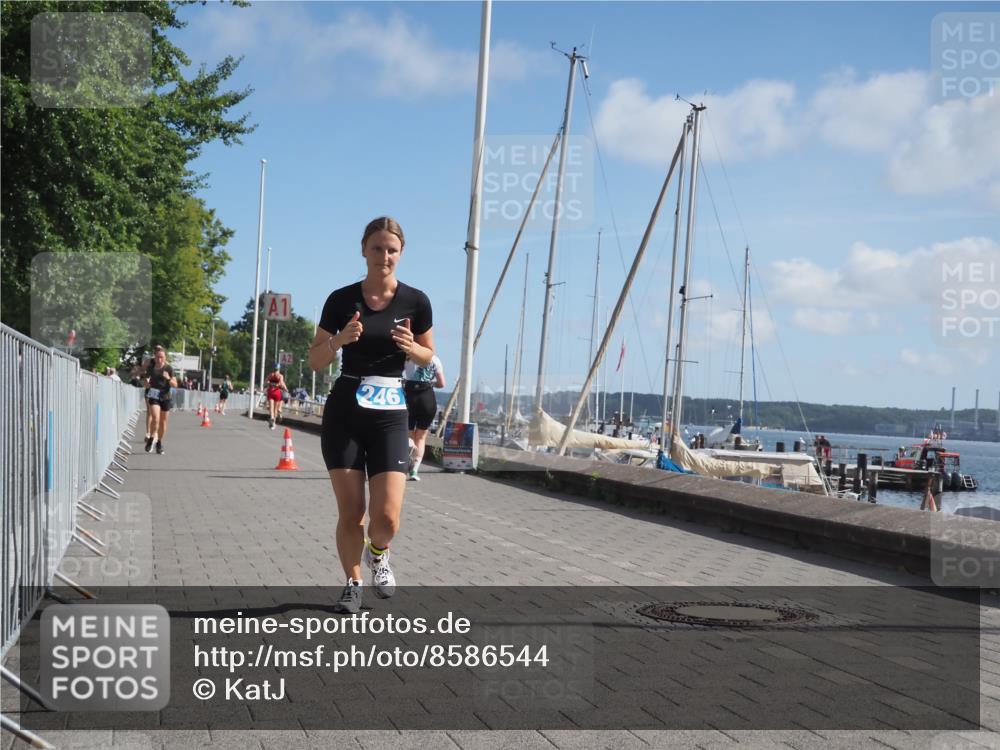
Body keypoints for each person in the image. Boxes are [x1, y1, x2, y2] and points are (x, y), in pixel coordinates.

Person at [308, 217, 434, 614]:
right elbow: (315, 360)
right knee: (352, 511)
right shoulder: (341, 299)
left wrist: (413, 349)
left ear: (401, 253)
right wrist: (338, 340)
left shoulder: (416, 301)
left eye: (391, 249)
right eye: (377, 248)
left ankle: (378, 553)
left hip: (391, 411)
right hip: (346, 407)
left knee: (387, 517)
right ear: (363, 250)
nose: (384, 256)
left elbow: (429, 357)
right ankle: (352, 582)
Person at [403, 353, 445, 481]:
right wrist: (432, 383)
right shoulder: (435, 359)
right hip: (427, 399)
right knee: (421, 437)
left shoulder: (408, 356)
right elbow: (441, 383)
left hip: (410, 397)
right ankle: (415, 470)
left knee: (408, 435)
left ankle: (406, 465)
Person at [143, 345, 177, 455]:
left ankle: (159, 442)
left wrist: (168, 378)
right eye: (158, 357)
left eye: (162, 357)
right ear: (155, 357)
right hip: (154, 396)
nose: (160, 359)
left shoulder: (169, 369)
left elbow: (175, 384)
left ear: (165, 357)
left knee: (163, 422)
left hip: (165, 397)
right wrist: (146, 383)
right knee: (155, 418)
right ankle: (152, 438)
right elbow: (145, 382)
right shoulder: (151, 368)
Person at [265, 364, 286, 429]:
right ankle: (274, 423)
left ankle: (271, 418)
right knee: (275, 409)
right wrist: (284, 388)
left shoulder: (270, 375)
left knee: (271, 407)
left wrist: (270, 383)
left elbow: (265, 382)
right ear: (279, 369)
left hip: (270, 391)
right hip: (277, 392)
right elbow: (281, 383)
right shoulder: (280, 376)